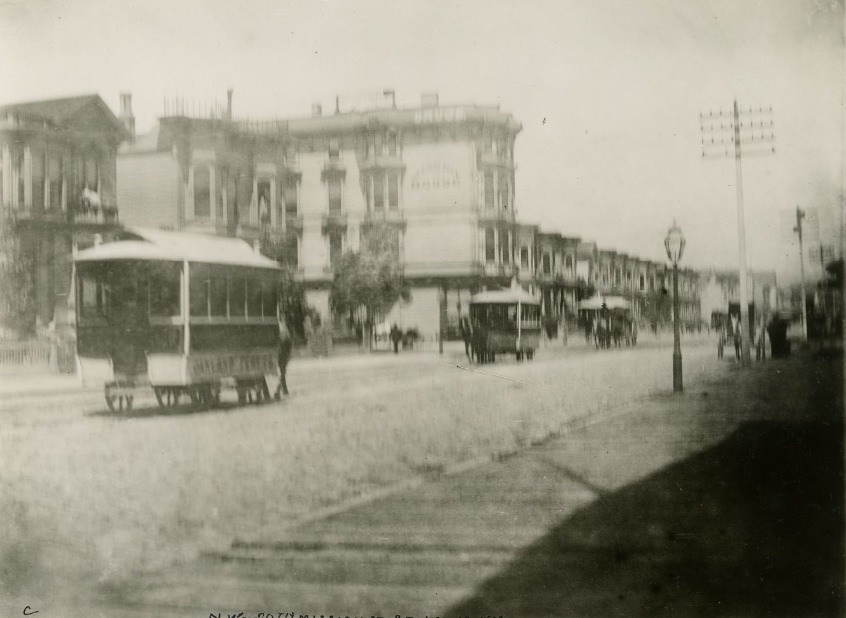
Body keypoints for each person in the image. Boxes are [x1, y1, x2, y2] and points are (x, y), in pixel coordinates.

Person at [275, 319, 293, 398]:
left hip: (282, 353)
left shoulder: (282, 328)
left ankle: (280, 390)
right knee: (282, 372)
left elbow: (287, 342)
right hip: (282, 353)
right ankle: (281, 390)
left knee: (282, 372)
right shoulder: (283, 328)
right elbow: (287, 342)